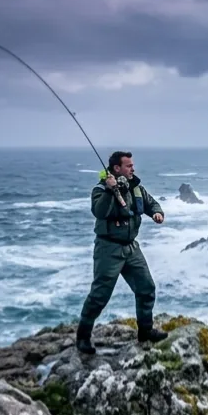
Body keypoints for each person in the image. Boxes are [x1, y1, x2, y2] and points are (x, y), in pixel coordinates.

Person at [75, 150, 168, 354]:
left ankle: (145, 331)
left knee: (146, 288)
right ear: (117, 168)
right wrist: (111, 191)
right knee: (100, 295)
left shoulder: (136, 188)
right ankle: (82, 337)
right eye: (128, 166)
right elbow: (99, 211)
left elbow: (150, 202)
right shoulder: (100, 190)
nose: (133, 168)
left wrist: (157, 212)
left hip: (131, 247)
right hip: (109, 248)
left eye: (132, 165)